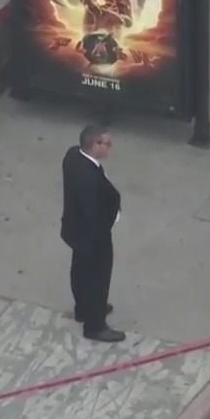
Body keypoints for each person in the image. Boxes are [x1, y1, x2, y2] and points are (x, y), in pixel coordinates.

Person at [61, 124, 126, 343]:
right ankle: (95, 324)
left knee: (80, 270)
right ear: (95, 144)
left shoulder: (72, 156)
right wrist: (108, 223)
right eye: (107, 143)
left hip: (74, 230)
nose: (109, 148)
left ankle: (84, 308)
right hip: (92, 236)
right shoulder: (88, 177)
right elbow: (94, 212)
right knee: (98, 277)